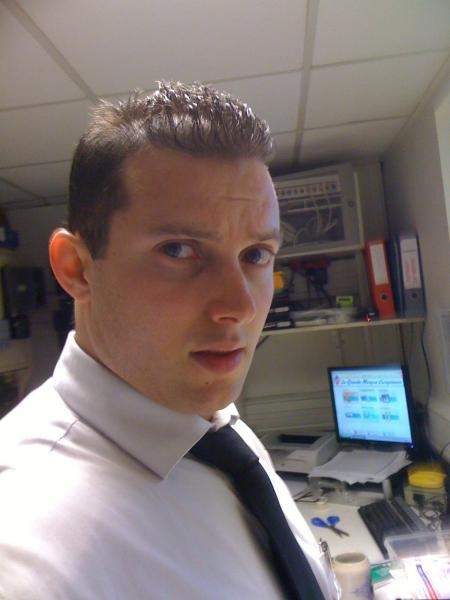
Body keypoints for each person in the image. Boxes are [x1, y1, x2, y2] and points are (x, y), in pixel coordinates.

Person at [0, 82, 336, 599]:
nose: (241, 306)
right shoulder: (27, 551)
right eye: (178, 250)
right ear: (77, 268)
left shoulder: (214, 428)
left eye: (255, 255)